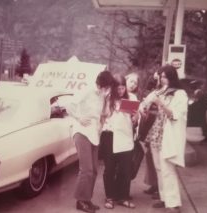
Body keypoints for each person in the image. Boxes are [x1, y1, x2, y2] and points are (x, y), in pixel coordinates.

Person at [140, 65, 188, 213]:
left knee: (168, 169)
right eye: (161, 77)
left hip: (168, 135)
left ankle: (173, 204)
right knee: (159, 169)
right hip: (156, 133)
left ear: (172, 77)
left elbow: (175, 115)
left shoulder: (180, 94)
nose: (162, 79)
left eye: (165, 77)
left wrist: (160, 103)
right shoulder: (159, 91)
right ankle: (164, 198)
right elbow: (144, 103)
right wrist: (143, 108)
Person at [67, 70, 114, 213]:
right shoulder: (87, 90)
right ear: (101, 84)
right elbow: (69, 105)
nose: (105, 89)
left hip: (94, 133)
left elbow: (105, 114)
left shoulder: (102, 96)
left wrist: (106, 100)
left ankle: (87, 200)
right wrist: (79, 117)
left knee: (93, 170)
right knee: (86, 169)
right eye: (105, 87)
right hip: (82, 132)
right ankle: (80, 201)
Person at [100, 74, 137, 210]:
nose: (121, 91)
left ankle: (123, 197)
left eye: (123, 88)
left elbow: (135, 116)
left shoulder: (131, 97)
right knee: (109, 169)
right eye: (118, 89)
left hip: (126, 137)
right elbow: (102, 115)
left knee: (125, 170)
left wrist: (136, 117)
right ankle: (109, 197)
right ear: (114, 88)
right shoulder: (107, 98)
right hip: (109, 136)